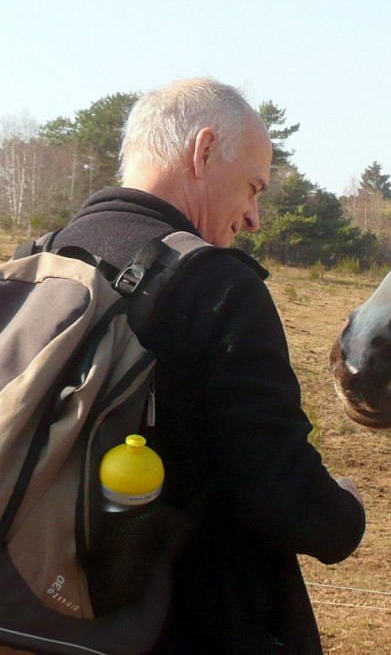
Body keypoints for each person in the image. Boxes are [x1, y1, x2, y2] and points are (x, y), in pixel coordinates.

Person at [50, 77, 365, 653]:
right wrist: (347, 512)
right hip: (184, 627)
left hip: (39, 619)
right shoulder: (218, 287)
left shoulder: (37, 262)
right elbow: (282, 495)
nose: (253, 218)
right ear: (202, 152)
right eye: (252, 187)